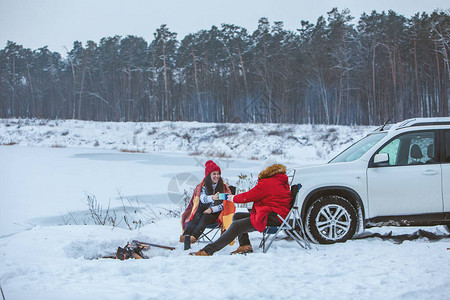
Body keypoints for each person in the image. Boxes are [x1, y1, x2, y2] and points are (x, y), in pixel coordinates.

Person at [190, 161, 291, 256]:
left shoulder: (268, 183)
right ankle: (244, 245)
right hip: (277, 216)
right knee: (238, 216)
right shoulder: (280, 180)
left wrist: (232, 198)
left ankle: (208, 251)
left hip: (271, 217)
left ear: (266, 170)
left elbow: (249, 196)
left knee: (237, 226)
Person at [180, 160, 235, 245]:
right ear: (209, 175)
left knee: (205, 216)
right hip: (203, 209)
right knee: (196, 214)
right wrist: (213, 198)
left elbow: (224, 205)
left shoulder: (223, 187)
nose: (216, 176)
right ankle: (186, 235)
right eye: (214, 174)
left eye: (218, 174)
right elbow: (202, 198)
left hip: (217, 213)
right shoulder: (203, 186)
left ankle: (194, 237)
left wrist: (212, 209)